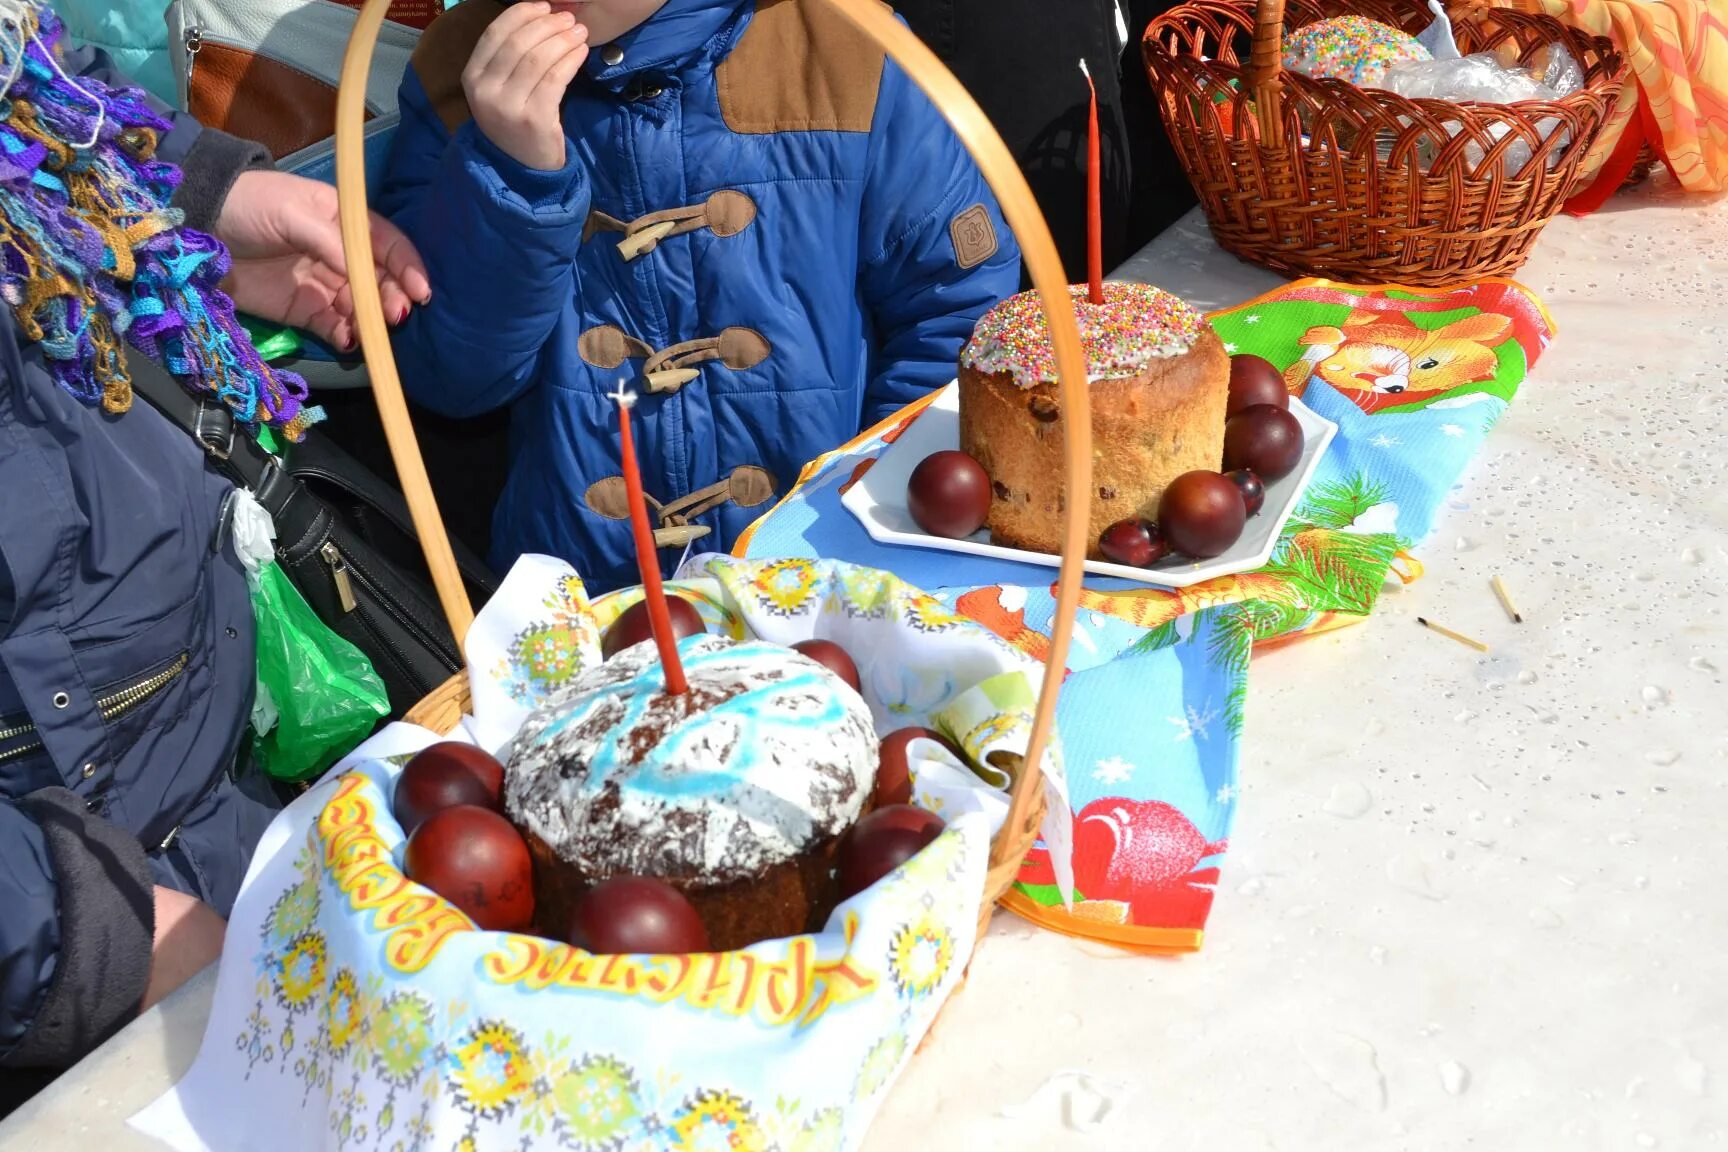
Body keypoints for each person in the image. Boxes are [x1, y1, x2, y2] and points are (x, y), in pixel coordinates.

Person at [0, 2, 428, 1110]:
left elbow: (37, 79)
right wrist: (90, 928)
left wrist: (202, 207)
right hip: (82, 948)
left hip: (215, 797)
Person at [379, 0, 1021, 592]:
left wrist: (881, 517)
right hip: (582, 602)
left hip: (831, 577)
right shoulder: (458, 73)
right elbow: (449, 377)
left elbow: (957, 315)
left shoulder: (848, 45)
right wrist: (510, 179)